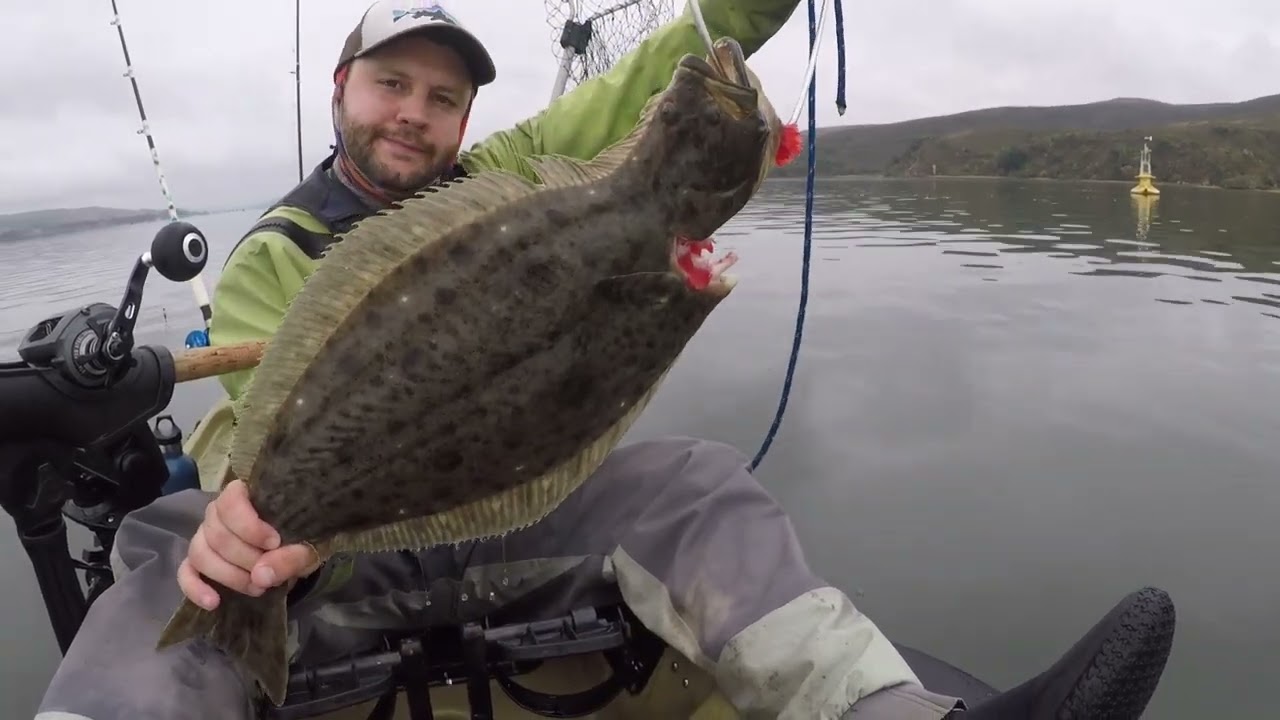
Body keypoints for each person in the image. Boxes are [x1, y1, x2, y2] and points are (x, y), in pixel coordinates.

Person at [34, 1, 1175, 719]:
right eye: (390, 84)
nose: (413, 114)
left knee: (694, 484)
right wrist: (243, 518)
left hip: (502, 528)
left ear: (467, 118)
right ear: (342, 90)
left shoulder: (516, 181)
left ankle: (893, 713)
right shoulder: (272, 257)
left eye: (442, 97)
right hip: (336, 567)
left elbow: (665, 71)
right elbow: (245, 434)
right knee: (163, 559)